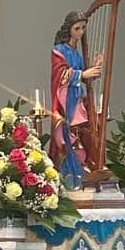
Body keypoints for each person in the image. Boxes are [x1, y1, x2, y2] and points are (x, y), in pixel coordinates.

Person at [49, 13, 104, 187]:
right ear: (69, 29)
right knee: (67, 134)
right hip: (65, 99)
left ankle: (80, 170)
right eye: (77, 28)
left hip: (77, 98)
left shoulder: (77, 54)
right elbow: (60, 75)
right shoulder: (59, 50)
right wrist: (82, 74)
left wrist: (95, 67)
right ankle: (67, 173)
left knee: (80, 132)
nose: (81, 32)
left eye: (83, 28)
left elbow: (85, 78)